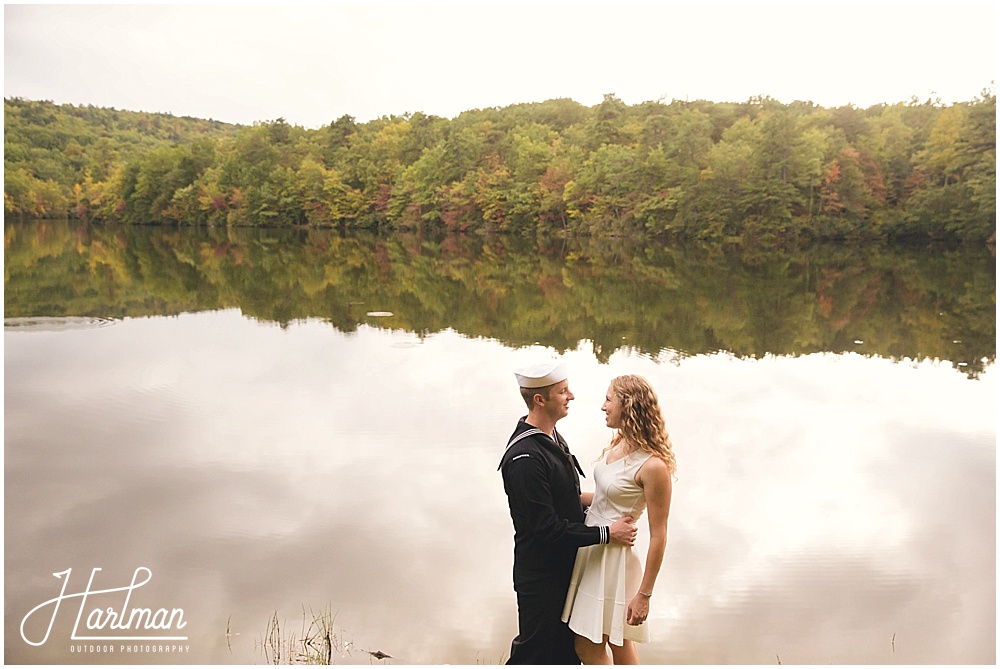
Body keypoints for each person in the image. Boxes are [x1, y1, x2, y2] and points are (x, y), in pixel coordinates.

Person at [499, 360, 638, 665]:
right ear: (540, 400)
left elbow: (566, 499)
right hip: (542, 577)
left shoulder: (551, 438)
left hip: (566, 569)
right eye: (562, 391)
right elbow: (547, 528)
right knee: (535, 654)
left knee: (565, 654)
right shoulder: (525, 457)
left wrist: (614, 499)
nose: (571, 396)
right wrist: (607, 532)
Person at [561, 374, 676, 665]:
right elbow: (602, 499)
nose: (603, 406)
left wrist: (644, 595)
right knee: (619, 642)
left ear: (629, 405)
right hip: (592, 550)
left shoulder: (653, 466)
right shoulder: (620, 442)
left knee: (588, 647)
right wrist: (556, 498)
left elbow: (659, 535)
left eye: (609, 399)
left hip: (614, 561)